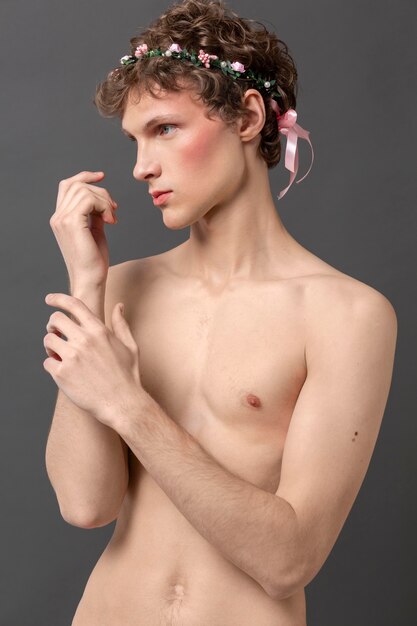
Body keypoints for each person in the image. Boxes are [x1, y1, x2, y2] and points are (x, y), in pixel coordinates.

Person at [43, 1, 398, 624]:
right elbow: (85, 504)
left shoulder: (346, 313)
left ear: (248, 117)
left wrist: (128, 404)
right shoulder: (120, 288)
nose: (140, 166)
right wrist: (87, 283)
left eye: (166, 128)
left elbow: (290, 558)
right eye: (134, 139)